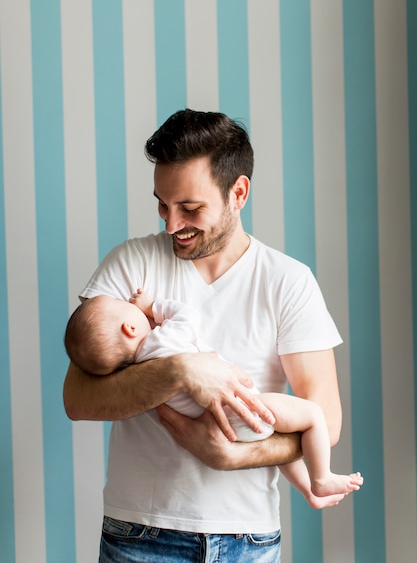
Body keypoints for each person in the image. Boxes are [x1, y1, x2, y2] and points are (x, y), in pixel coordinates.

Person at [64, 109, 350, 562]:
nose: (171, 224)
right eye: (162, 203)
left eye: (190, 208)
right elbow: (77, 398)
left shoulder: (288, 282)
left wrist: (231, 456)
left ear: (238, 192)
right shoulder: (130, 264)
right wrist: (180, 371)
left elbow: (326, 420)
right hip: (140, 532)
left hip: (248, 538)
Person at [65, 289, 362, 509]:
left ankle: (310, 491)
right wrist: (152, 306)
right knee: (311, 416)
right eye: (122, 305)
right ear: (130, 328)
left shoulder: (140, 368)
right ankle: (320, 477)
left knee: (276, 438)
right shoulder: (162, 338)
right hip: (245, 409)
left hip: (221, 429)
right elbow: (188, 316)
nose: (129, 303)